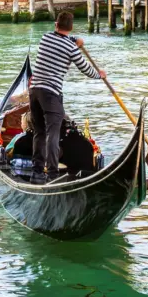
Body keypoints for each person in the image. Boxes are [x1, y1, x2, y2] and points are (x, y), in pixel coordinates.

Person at [28, 11, 106, 184]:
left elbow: (60, 40)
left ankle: (37, 173)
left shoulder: (45, 38)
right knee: (53, 135)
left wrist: (74, 42)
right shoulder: (71, 48)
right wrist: (99, 75)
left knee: (39, 133)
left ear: (56, 24)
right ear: (71, 28)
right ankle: (53, 175)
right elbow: (85, 69)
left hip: (34, 92)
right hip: (51, 94)